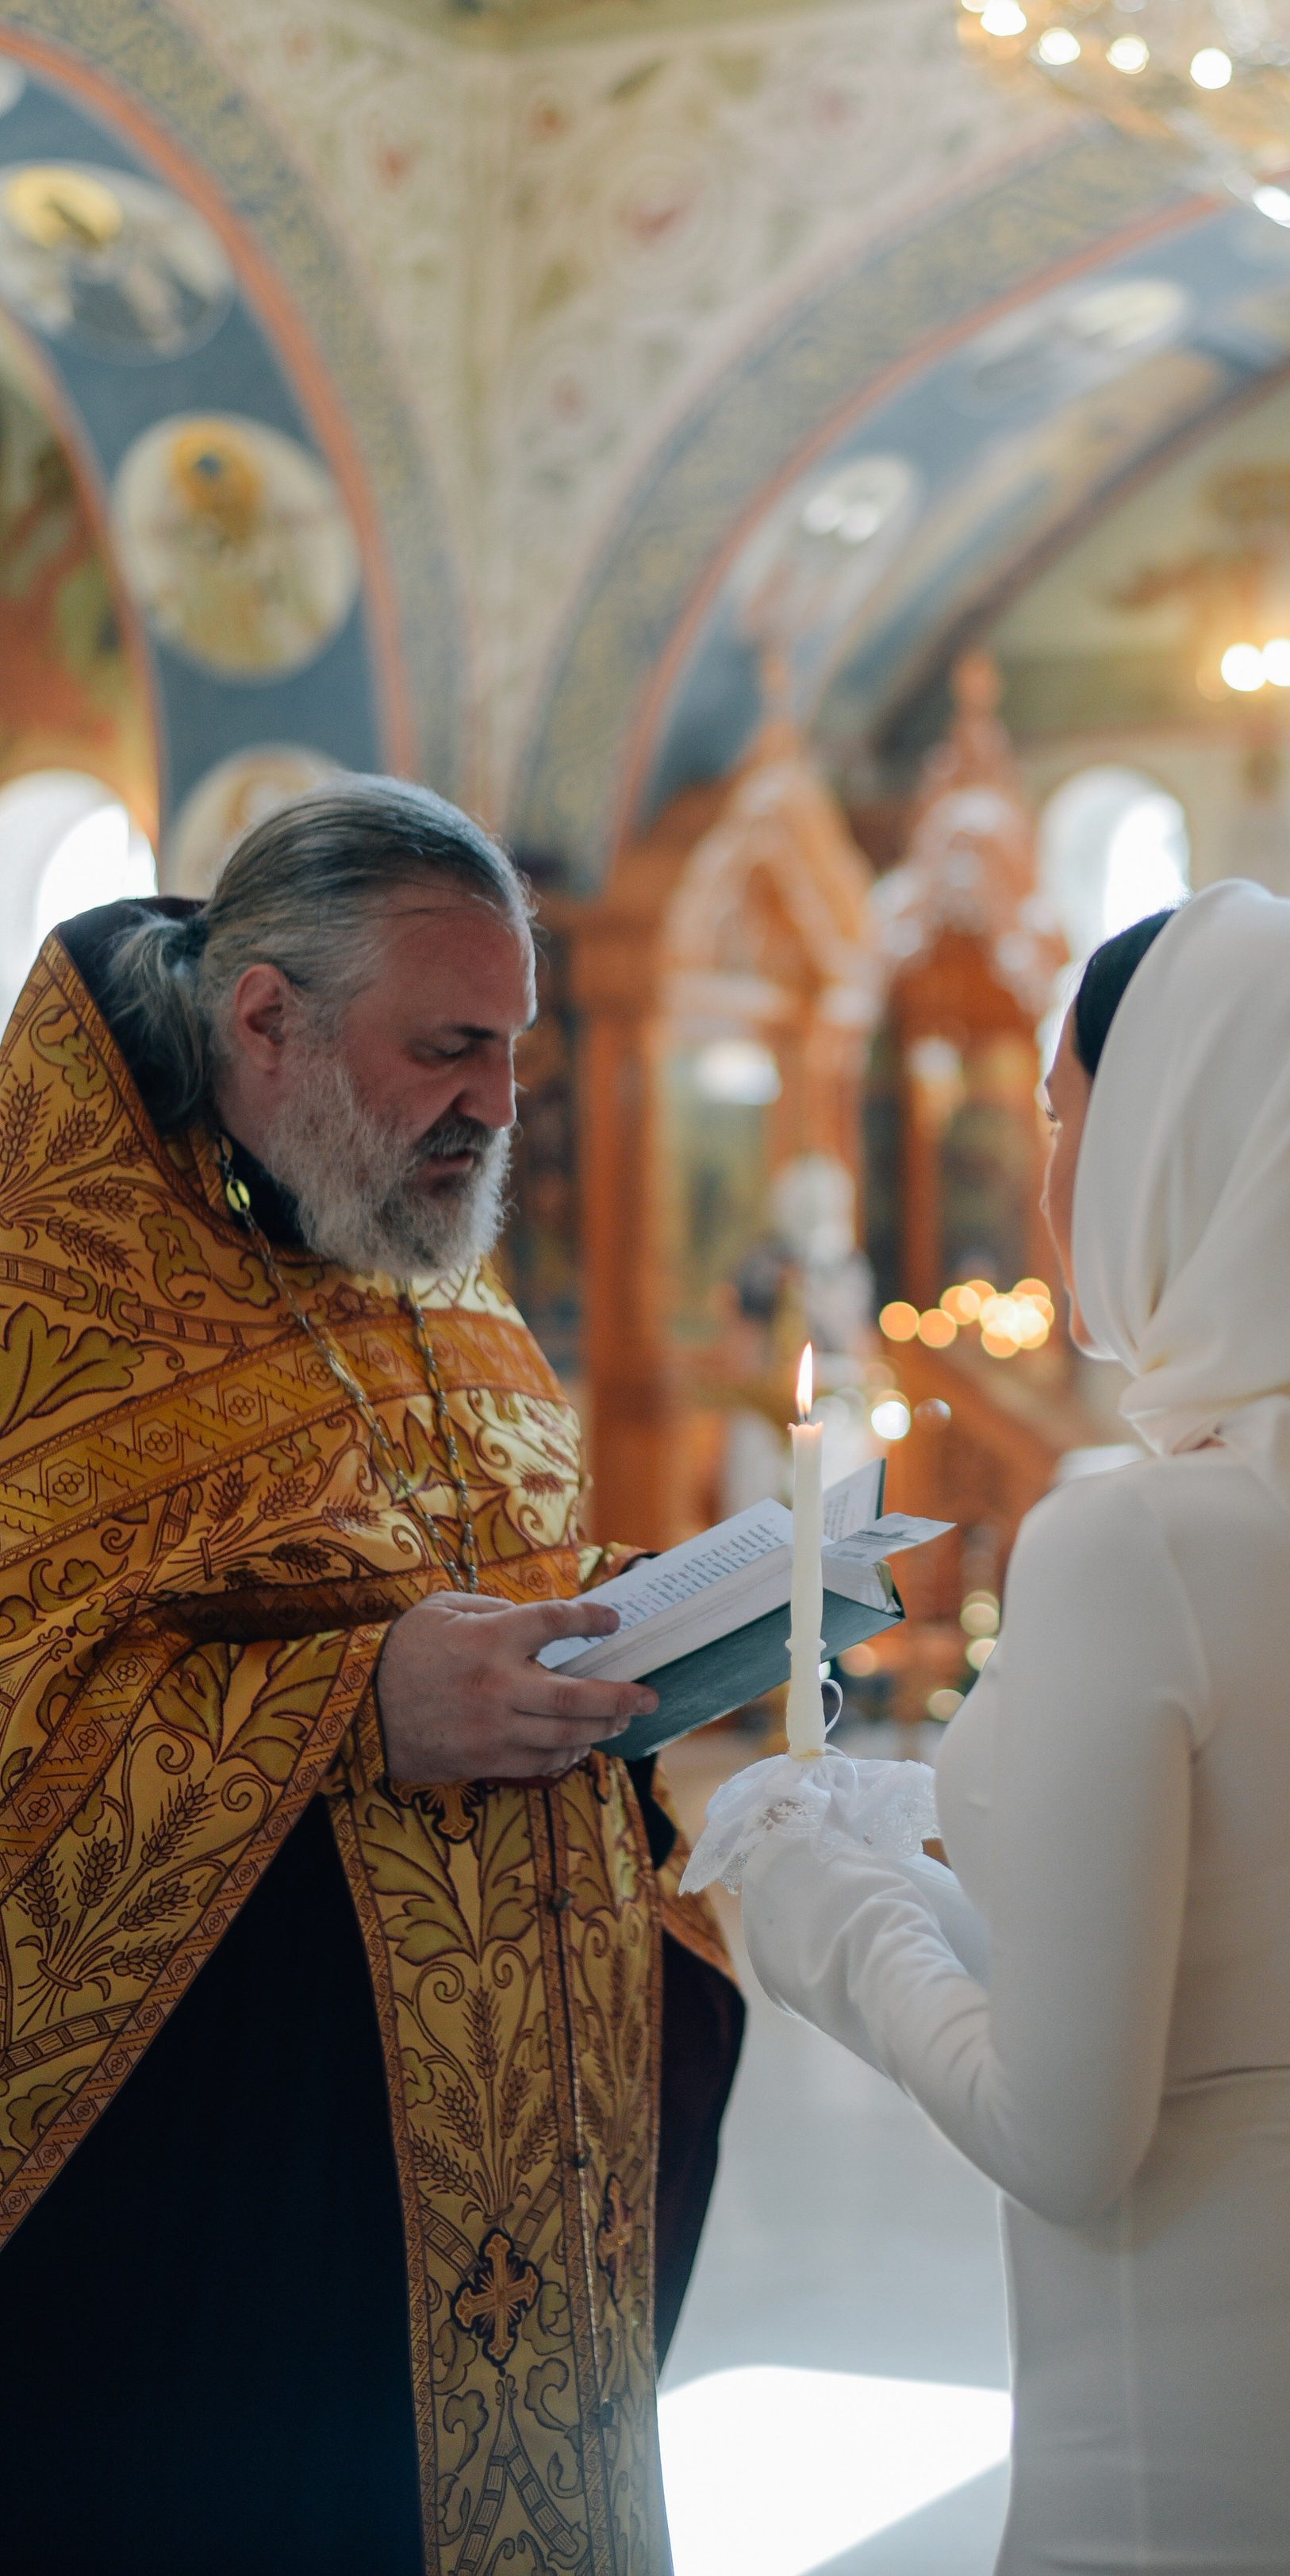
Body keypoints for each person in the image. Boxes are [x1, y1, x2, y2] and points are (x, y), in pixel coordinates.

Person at [723, 879, 1290, 2574]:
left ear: (1188, 1136)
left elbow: (1068, 2136)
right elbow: (1246, 1922)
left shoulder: (1136, 1534)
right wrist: (915, 1827)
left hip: (1210, 2442)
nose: (1044, 1182)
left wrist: (818, 1911)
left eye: (1060, 1117)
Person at [0, 780, 743, 2576]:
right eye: (451, 1046)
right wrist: (356, 1708)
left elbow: (463, 1560)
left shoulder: (426, 1263)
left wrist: (622, 1620)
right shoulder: (40, 1292)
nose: (497, 1105)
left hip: (510, 2163)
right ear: (264, 1016)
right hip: (216, 2182)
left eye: (514, 1045)